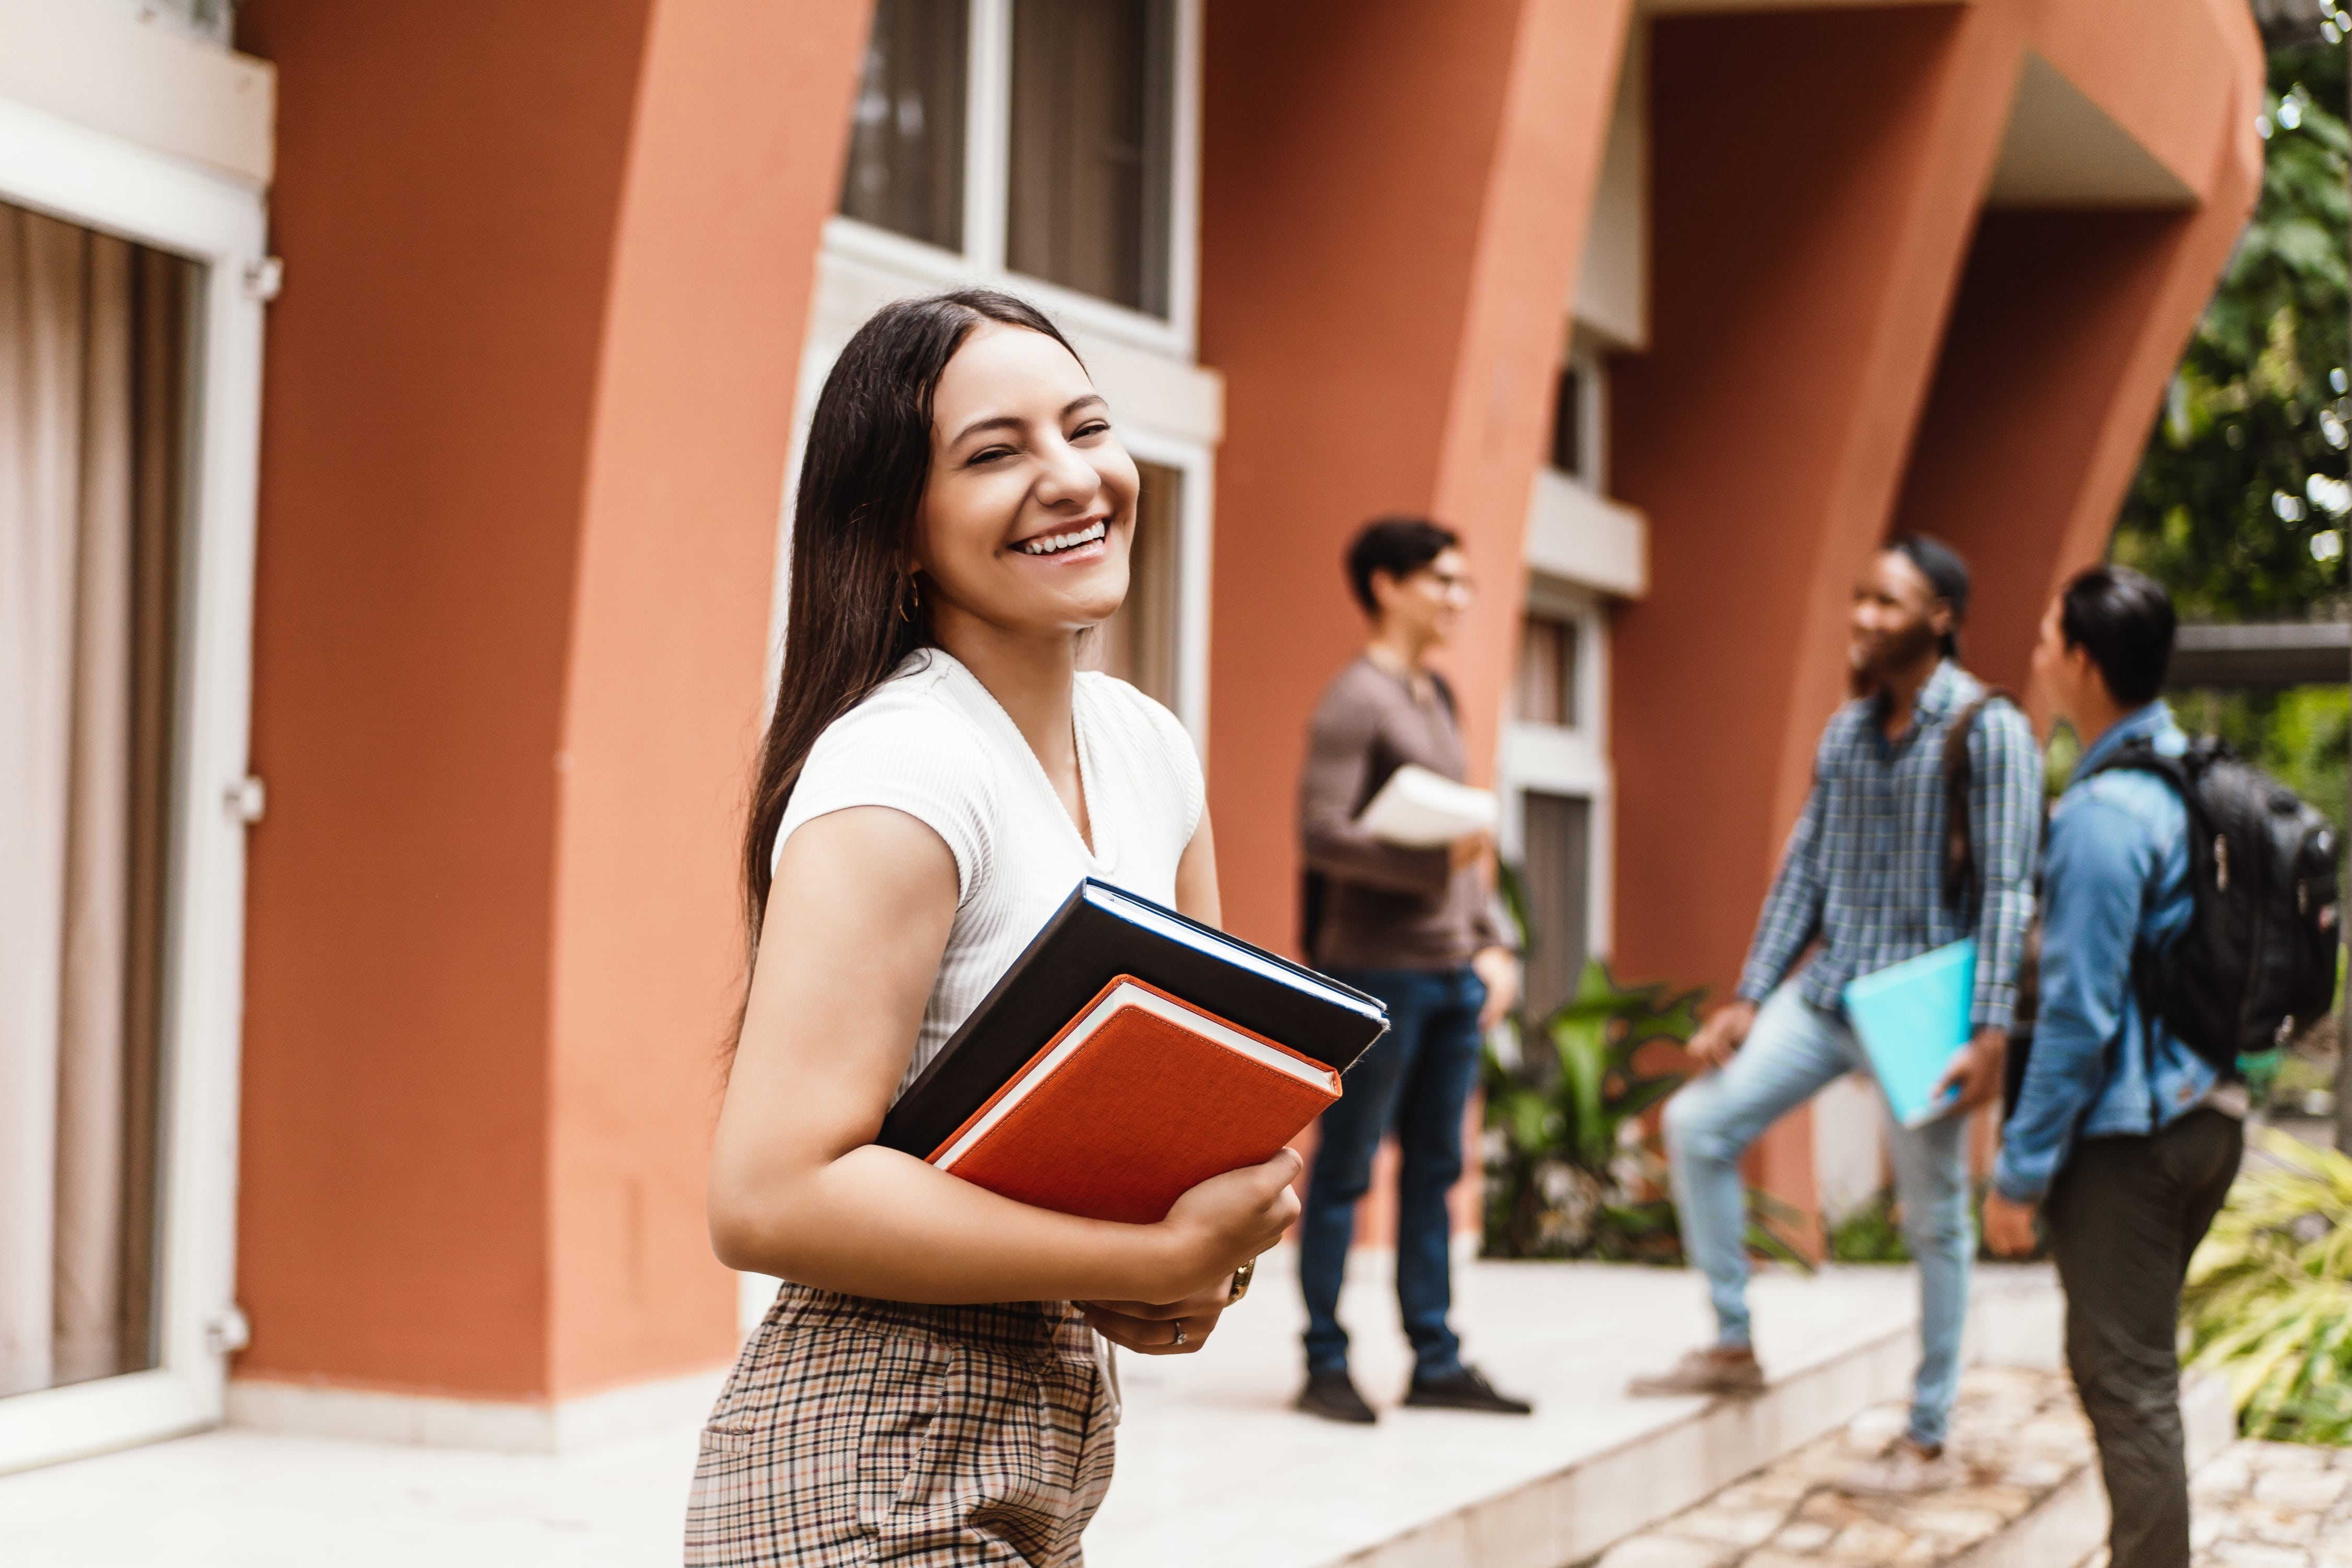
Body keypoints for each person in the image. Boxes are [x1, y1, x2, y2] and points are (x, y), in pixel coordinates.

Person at [690, 290, 1299, 1566]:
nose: (1071, 479)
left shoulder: (1146, 746)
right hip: (865, 1468)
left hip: (1038, 1464)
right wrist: (1140, 1249)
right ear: (899, 534)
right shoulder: (904, 770)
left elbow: (1210, 1090)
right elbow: (767, 1193)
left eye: (1086, 428)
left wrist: (1193, 1273)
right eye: (995, 453)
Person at [1631, 535, 2042, 1497]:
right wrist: (1747, 996)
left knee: (1933, 1220)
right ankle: (1734, 1344)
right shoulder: (1845, 736)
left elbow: (2010, 894)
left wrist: (1989, 1035)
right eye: (1858, 599)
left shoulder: (1989, 730)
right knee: (1698, 1124)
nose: (1862, 618)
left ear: (1939, 617)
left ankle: (1929, 1436)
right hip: (1830, 997)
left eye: (1886, 603)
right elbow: (1803, 877)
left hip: (1928, 1009)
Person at [1983, 566, 2241, 1568]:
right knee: (2133, 1371)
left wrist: (2017, 1174)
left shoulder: (2102, 814)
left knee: (2124, 1384)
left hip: (2134, 1139)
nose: (2040, 655)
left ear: (2084, 662)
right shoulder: (2192, 777)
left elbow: (2080, 1016)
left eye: (2049, 638)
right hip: (2208, 1109)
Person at [1292, 517, 1530, 1424]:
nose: (1458, 600)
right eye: (1443, 581)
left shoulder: (1438, 696)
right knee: (1348, 1168)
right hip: (1374, 973)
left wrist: (1492, 939)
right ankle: (1324, 1359)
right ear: (1388, 585)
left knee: (1436, 1169)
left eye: (1465, 583)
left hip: (1449, 974)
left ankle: (1435, 1357)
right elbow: (1322, 830)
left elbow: (1471, 844)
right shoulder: (1357, 699)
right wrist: (1433, 867)